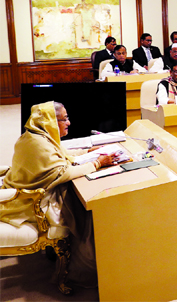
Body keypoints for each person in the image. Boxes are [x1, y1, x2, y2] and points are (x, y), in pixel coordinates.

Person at [1, 101, 116, 286]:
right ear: (50, 122)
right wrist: (97, 164)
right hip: (29, 205)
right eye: (64, 119)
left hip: (19, 192)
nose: (69, 122)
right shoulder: (39, 145)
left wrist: (87, 151)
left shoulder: (35, 136)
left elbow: (61, 153)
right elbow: (64, 172)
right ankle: (82, 268)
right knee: (81, 206)